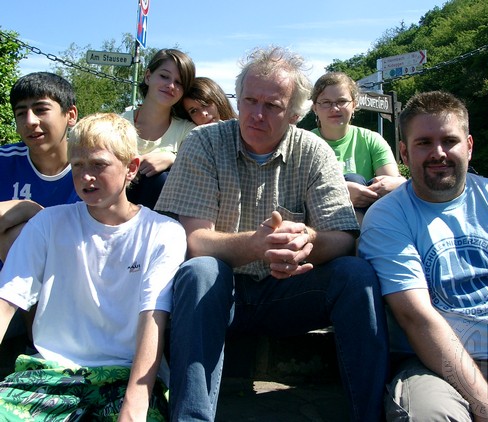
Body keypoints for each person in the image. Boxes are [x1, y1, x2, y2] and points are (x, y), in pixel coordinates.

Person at [156, 46, 388, 421]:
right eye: (249, 100)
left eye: (273, 106)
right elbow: (194, 240)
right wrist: (257, 245)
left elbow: (344, 237)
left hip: (291, 291)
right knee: (198, 272)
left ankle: (372, 415)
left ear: (295, 114)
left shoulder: (314, 150)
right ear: (238, 98)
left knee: (356, 276)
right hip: (222, 292)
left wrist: (307, 243)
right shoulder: (204, 143)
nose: (257, 114)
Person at [359, 90, 488, 421]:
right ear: (404, 154)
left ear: (468, 146)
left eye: (449, 141)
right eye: (424, 143)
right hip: (438, 368)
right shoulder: (387, 217)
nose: (439, 153)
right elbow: (416, 316)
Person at [0, 113, 187, 420]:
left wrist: (136, 402)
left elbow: (153, 317)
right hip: (49, 372)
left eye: (99, 165)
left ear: (131, 168)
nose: (86, 176)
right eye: (77, 166)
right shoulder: (48, 224)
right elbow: (7, 302)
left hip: (123, 376)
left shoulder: (163, 232)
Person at [0, 72, 80, 361]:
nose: (30, 121)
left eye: (41, 109)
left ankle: (39, 345)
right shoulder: (5, 160)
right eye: (21, 113)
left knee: (22, 234)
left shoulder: (89, 168)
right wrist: (22, 207)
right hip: (6, 293)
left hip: (68, 294)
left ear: (70, 115)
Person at [311, 71, 405, 221]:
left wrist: (378, 188)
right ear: (315, 108)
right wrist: (340, 192)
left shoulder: (371, 139)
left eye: (341, 101)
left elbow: (390, 184)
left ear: (354, 105)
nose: (334, 108)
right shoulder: (305, 143)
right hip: (320, 219)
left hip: (369, 215)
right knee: (352, 179)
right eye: (326, 102)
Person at [122, 48, 196, 209]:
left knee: (161, 178)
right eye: (164, 76)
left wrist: (172, 159)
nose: (170, 86)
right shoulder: (119, 124)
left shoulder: (189, 132)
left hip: (162, 221)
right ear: (148, 76)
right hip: (114, 215)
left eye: (179, 82)